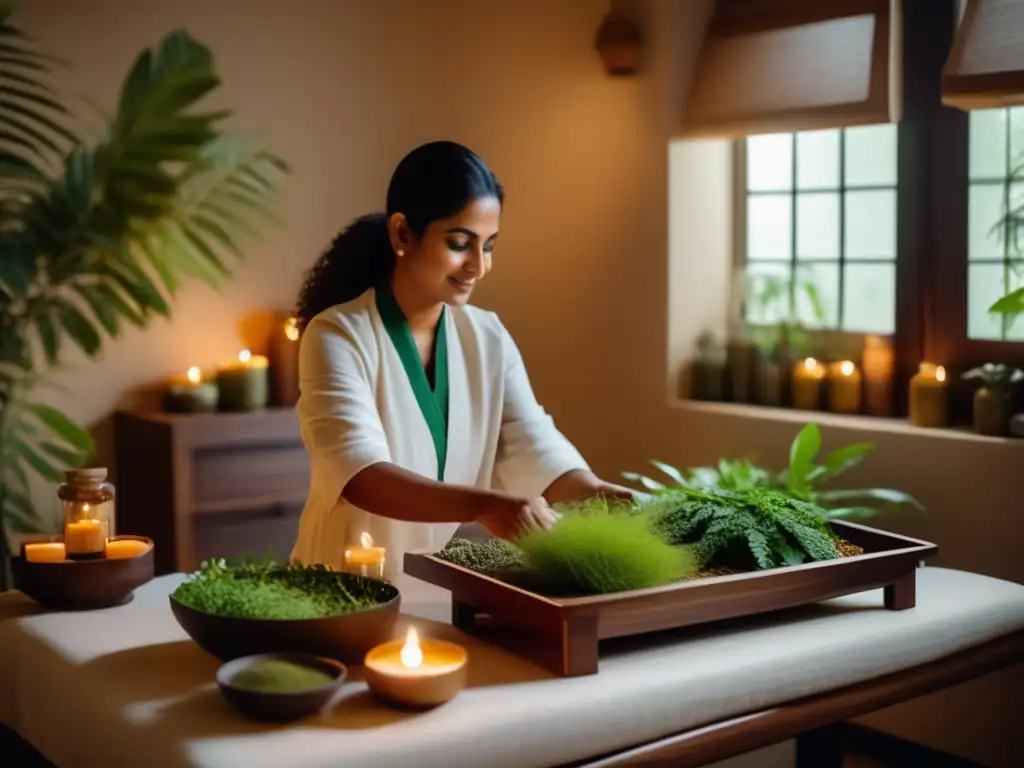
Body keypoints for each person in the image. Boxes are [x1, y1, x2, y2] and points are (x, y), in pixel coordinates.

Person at [290, 140, 633, 578]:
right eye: (459, 243)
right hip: (336, 589)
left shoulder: (487, 337)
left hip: (428, 589)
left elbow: (529, 442)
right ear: (401, 234)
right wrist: (484, 505)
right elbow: (360, 475)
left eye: (488, 246)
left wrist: (596, 494)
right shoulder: (338, 334)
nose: (478, 266)